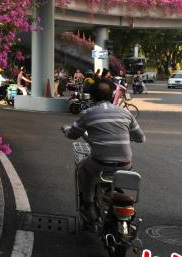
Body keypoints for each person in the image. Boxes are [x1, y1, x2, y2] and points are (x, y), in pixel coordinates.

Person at [62, 81, 145, 224]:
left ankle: (88, 203)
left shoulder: (88, 114)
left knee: (82, 168)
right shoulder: (125, 113)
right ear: (112, 95)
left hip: (99, 164)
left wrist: (66, 129)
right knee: (115, 170)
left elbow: (72, 134)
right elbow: (141, 138)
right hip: (125, 165)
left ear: (92, 97)